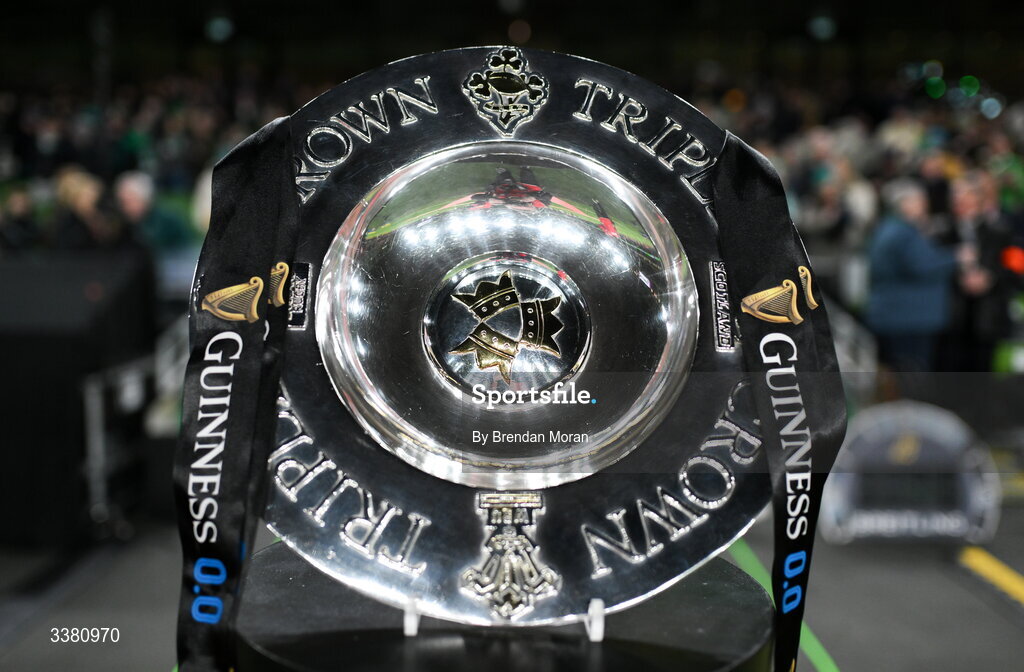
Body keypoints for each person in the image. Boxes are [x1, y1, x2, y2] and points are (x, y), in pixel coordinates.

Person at [865, 179, 958, 371]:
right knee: (911, 371)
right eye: (919, 200)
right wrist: (956, 257)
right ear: (904, 204)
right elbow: (921, 266)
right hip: (909, 319)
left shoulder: (888, 228)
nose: (925, 205)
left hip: (896, 315)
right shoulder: (903, 232)